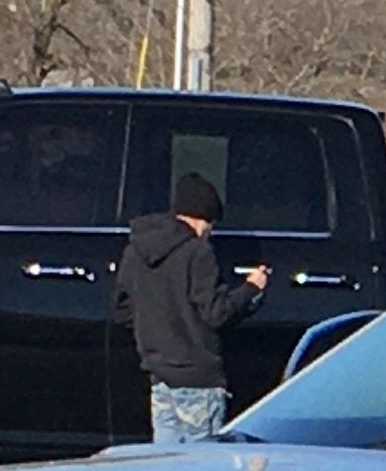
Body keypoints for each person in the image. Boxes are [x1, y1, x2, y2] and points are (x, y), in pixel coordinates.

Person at [113, 173, 273, 442]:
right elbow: (217, 314)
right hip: (199, 381)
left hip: (159, 376)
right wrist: (251, 289)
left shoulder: (136, 250)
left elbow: (123, 311)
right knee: (203, 469)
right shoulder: (198, 252)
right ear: (204, 219)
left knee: (168, 467)